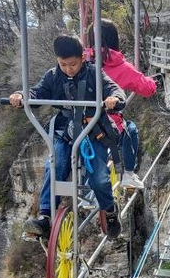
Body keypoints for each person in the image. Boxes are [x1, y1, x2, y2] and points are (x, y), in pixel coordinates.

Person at [9, 34, 126, 240]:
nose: (68, 69)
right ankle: (46, 216)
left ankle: (109, 210)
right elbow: (37, 92)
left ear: (82, 57)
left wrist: (114, 98)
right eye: (63, 64)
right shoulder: (54, 76)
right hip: (66, 131)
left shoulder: (93, 74)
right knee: (54, 166)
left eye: (73, 64)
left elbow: (113, 88)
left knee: (98, 177)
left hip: (92, 130)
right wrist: (22, 95)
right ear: (57, 60)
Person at [86, 19, 159, 191]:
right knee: (130, 129)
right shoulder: (119, 66)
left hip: (81, 122)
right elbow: (147, 89)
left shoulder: (82, 62)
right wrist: (152, 81)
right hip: (106, 125)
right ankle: (128, 173)